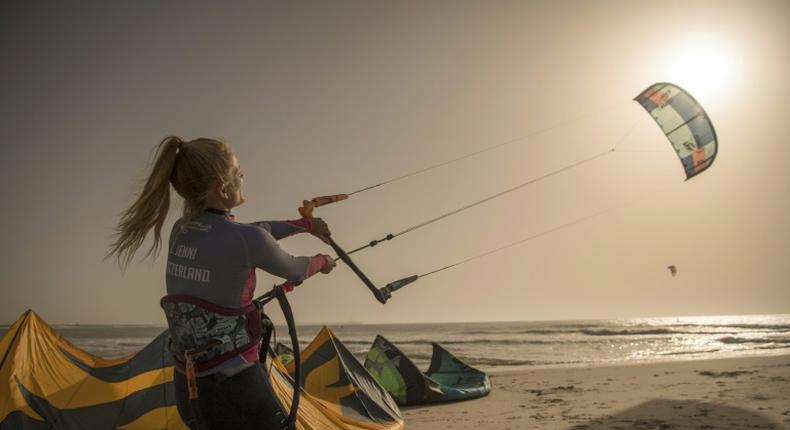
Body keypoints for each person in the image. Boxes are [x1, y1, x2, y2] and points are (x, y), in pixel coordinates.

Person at [108, 136, 336, 429]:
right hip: (234, 386)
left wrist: (305, 225)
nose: (243, 176)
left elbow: (254, 232)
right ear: (222, 187)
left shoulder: (182, 229)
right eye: (238, 171)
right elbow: (294, 269)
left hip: (188, 385)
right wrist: (323, 261)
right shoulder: (246, 240)